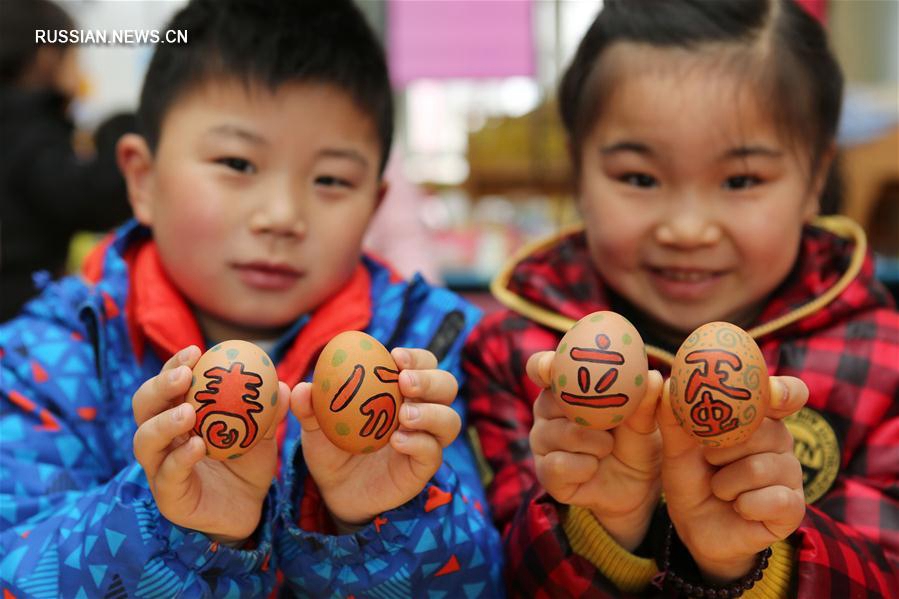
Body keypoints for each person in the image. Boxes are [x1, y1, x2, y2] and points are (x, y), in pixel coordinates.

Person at [0, 0, 503, 596]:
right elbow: (15, 565)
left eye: (332, 180)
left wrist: (378, 517)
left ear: (374, 202)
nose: (281, 216)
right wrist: (169, 521)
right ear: (142, 180)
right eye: (237, 163)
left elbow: (491, 579)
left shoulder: (426, 350)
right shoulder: (53, 354)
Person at [464, 0, 898, 597]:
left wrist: (757, 557)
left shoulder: (881, 352)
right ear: (578, 176)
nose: (688, 229)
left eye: (741, 181)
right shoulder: (518, 354)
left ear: (814, 181)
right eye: (639, 179)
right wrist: (605, 524)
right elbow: (498, 578)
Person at [0, 0, 134, 321]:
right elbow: (95, 200)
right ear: (48, 58)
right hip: (18, 315)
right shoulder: (32, 131)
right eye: (76, 56)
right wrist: (120, 129)